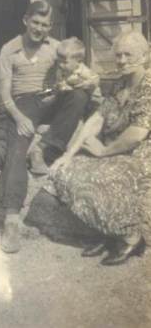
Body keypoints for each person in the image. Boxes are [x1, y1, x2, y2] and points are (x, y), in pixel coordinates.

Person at [0, 1, 91, 254]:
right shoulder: (9, 49)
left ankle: (44, 147)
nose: (39, 29)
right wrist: (19, 118)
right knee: (17, 148)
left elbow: (78, 67)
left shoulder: (56, 48)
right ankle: (11, 218)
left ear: (50, 26)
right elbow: (4, 93)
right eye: (35, 22)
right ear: (26, 20)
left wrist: (80, 82)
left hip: (52, 98)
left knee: (79, 97)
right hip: (22, 103)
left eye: (45, 25)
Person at [48, 31, 151, 266]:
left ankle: (130, 235)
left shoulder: (148, 85)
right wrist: (69, 153)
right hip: (118, 147)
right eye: (118, 55)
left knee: (105, 174)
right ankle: (108, 231)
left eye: (128, 55)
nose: (122, 60)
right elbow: (97, 118)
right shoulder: (119, 84)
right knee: (69, 169)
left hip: (142, 151)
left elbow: (137, 134)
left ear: (145, 57)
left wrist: (104, 152)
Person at [28, 37, 102, 175]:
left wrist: (87, 84)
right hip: (69, 102)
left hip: (90, 105)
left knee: (80, 95)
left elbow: (96, 80)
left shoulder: (84, 72)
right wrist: (62, 88)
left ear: (78, 61)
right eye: (59, 61)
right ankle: (44, 148)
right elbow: (59, 85)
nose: (61, 65)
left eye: (65, 62)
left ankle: (48, 148)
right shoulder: (61, 70)